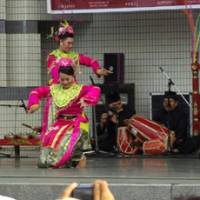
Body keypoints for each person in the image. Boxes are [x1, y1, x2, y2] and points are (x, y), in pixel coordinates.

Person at [27, 58, 100, 168]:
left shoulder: (80, 89)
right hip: (59, 124)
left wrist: (88, 99)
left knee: (60, 155)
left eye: (67, 79)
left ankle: (73, 173)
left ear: (73, 76)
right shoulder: (55, 89)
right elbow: (36, 92)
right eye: (62, 80)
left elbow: (95, 89)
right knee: (44, 157)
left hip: (74, 125)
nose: (65, 82)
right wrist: (34, 103)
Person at [47, 20, 112, 84]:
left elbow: (91, 61)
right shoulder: (53, 56)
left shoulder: (74, 55)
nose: (71, 46)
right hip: (59, 88)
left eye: (72, 43)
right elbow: (54, 73)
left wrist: (97, 70)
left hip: (73, 88)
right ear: (61, 42)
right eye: (69, 43)